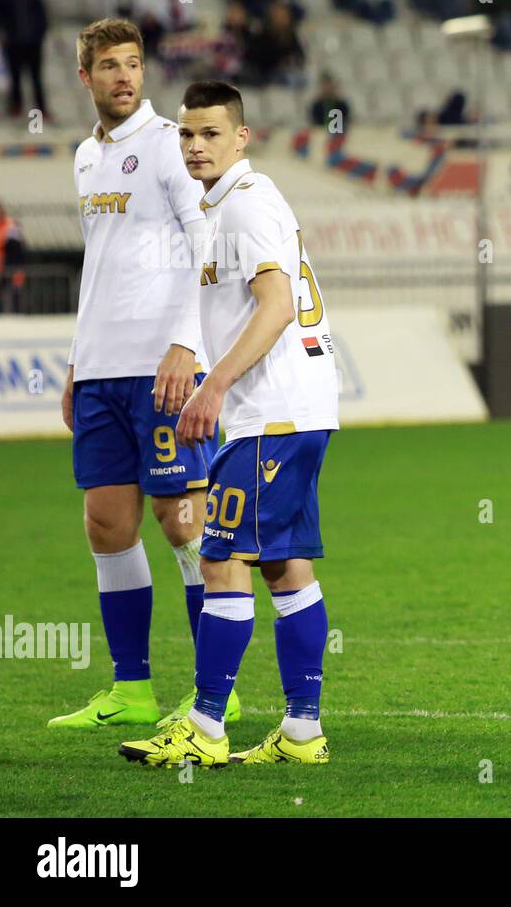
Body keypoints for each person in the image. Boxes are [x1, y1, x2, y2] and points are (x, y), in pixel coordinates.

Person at [119, 79, 339, 767]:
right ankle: (302, 732)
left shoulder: (244, 206)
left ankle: (206, 728)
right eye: (186, 134)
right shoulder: (228, 208)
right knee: (282, 564)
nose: (196, 146)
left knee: (219, 558)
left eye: (211, 133)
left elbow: (274, 303)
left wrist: (213, 385)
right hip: (295, 409)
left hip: (271, 413)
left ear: (240, 137)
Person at [48, 19, 230, 730]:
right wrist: (75, 361)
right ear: (85, 77)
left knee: (183, 520)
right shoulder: (85, 157)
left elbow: (206, 239)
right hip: (101, 368)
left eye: (133, 64)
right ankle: (131, 690)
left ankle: (219, 689)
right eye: (109, 66)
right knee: (106, 523)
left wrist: (187, 343)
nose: (125, 76)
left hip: (163, 366)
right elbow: (105, 263)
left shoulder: (167, 147)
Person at [0, 0, 48, 119]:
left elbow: (42, 16)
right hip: (13, 44)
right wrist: (5, 35)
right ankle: (16, 109)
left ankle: (41, 111)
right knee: (15, 78)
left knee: (36, 78)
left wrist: (39, 35)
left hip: (33, 43)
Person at [0, 199, 25, 313]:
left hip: (7, 277)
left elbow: (16, 254)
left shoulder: (10, 227)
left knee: (9, 310)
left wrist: (5, 272)